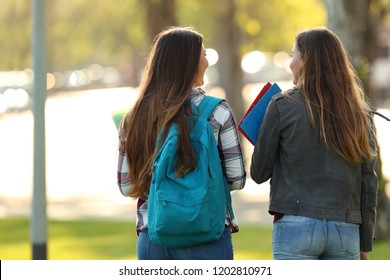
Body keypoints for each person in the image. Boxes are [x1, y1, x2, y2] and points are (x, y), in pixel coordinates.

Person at [117, 26, 246, 260]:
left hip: (154, 238)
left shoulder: (134, 118)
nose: (207, 61)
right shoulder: (217, 111)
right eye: (204, 55)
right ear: (191, 63)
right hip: (207, 235)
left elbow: (126, 186)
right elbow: (236, 179)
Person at [250, 27, 378, 260]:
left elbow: (258, 173)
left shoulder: (281, 105)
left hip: (295, 226)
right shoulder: (360, 113)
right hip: (345, 230)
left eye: (292, 56)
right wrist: (364, 242)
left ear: (305, 61)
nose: (290, 63)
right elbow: (368, 183)